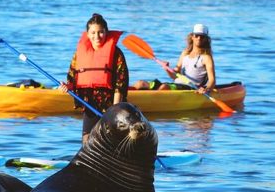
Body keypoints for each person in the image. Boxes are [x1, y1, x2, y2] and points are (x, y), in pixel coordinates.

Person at [59, 13, 129, 144]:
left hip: (111, 106)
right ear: (87, 34)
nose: (97, 36)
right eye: (93, 33)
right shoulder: (79, 54)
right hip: (90, 104)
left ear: (106, 32)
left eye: (101, 32)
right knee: (87, 142)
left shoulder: (116, 53)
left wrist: (114, 111)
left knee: (111, 143)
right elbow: (72, 79)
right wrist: (67, 86)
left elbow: (121, 83)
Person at [132, 24, 215, 95]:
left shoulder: (206, 57)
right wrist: (167, 68)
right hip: (176, 84)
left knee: (164, 87)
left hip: (190, 88)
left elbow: (212, 80)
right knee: (140, 83)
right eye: (197, 35)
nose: (199, 38)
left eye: (202, 37)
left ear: (206, 39)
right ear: (192, 36)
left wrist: (206, 89)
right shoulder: (185, 53)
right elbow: (174, 76)